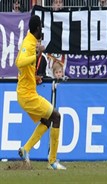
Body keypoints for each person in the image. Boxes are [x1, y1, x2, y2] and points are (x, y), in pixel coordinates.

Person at [15, 15, 66, 170]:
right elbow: (19, 62)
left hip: (28, 93)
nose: (41, 31)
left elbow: (25, 68)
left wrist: (34, 77)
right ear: (37, 29)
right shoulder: (29, 44)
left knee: (47, 120)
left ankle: (26, 149)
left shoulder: (31, 41)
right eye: (41, 28)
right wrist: (35, 55)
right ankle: (52, 161)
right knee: (56, 116)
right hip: (27, 95)